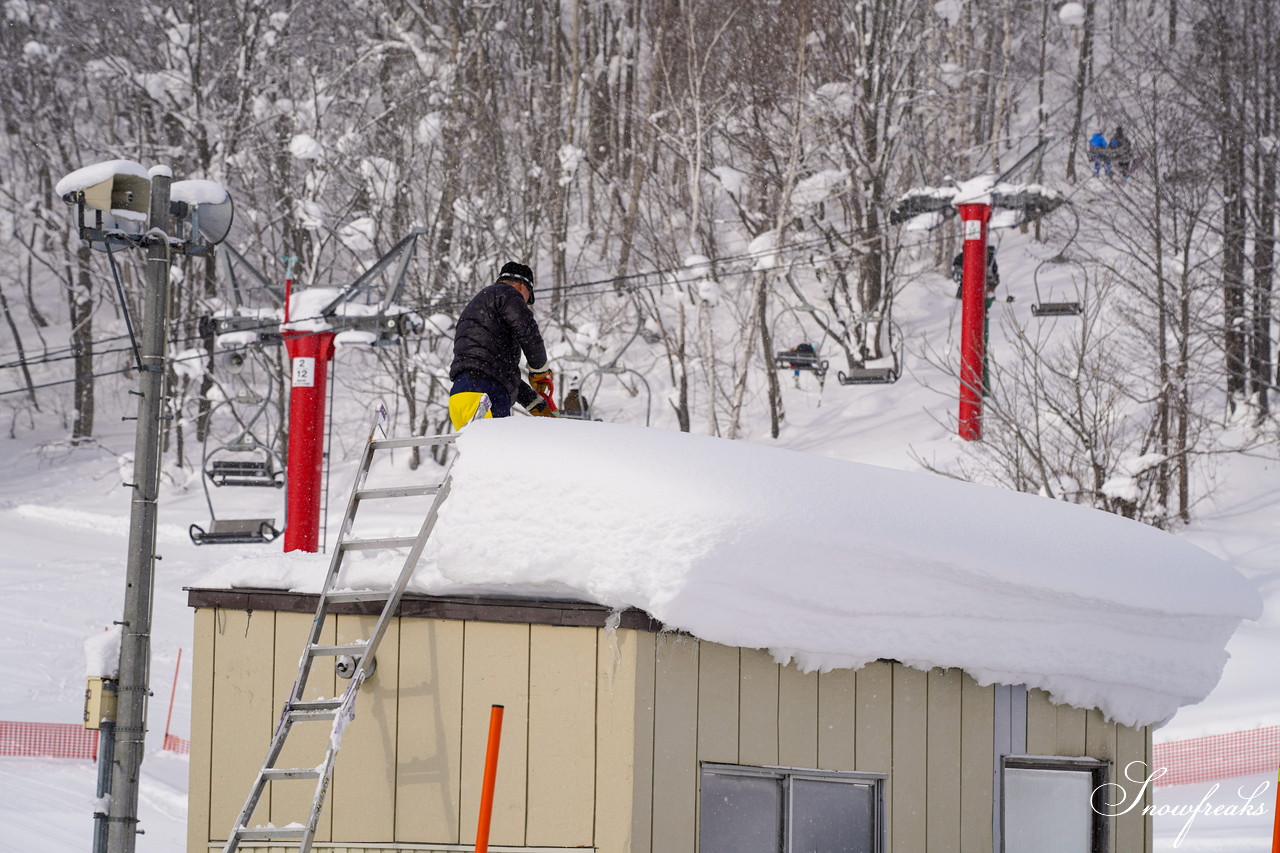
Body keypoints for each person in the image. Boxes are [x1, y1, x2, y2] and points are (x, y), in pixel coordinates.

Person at [448, 261, 555, 429]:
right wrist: (539, 370)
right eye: (528, 298)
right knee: (500, 452)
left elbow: (495, 370)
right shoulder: (507, 294)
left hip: (460, 397)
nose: (526, 304)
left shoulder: (477, 308)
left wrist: (535, 403)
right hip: (488, 397)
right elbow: (528, 332)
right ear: (521, 286)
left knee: (477, 454)